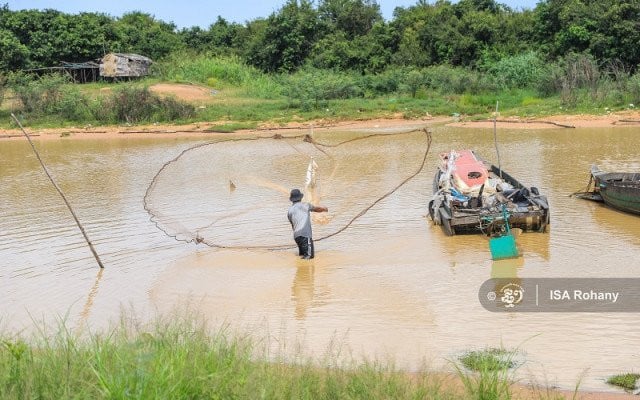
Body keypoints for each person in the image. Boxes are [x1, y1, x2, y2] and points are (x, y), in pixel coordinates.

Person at [287, 188, 328, 259]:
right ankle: (304, 269)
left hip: (297, 236)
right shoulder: (306, 205)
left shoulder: (290, 211)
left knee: (302, 255)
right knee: (309, 257)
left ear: (292, 199)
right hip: (305, 235)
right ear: (300, 198)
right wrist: (324, 209)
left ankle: (300, 269)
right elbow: (317, 209)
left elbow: (293, 225)